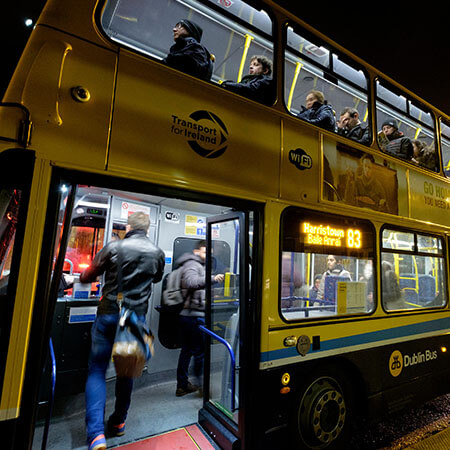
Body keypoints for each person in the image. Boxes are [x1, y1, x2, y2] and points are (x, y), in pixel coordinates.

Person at [80, 212, 165, 450]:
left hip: (108, 314)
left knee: (97, 370)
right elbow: (156, 278)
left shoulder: (114, 247)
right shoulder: (157, 253)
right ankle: (118, 422)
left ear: (128, 227)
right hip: (134, 319)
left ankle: (96, 435)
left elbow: (88, 275)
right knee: (126, 370)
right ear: (147, 229)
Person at [176, 240, 224, 397]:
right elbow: (191, 282)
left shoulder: (195, 264)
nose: (207, 255)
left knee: (187, 350)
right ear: (197, 251)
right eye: (205, 252)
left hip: (188, 313)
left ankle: (182, 385)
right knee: (199, 353)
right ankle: (202, 386)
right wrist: (213, 278)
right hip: (194, 315)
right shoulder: (192, 264)